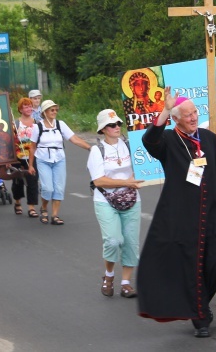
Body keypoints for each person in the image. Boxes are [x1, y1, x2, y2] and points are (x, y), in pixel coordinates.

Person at [137, 87, 216, 338]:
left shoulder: (208, 137)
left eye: (195, 113)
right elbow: (149, 140)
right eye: (187, 115)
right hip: (182, 216)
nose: (193, 117)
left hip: (213, 212)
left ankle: (198, 304)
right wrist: (165, 109)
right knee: (191, 267)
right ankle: (200, 316)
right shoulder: (169, 140)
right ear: (177, 119)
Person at [87, 109, 144, 298]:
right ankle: (109, 275)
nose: (116, 127)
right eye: (111, 125)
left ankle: (126, 283)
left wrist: (138, 177)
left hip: (131, 198)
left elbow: (142, 166)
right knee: (113, 240)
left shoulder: (129, 144)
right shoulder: (97, 150)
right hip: (105, 200)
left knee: (130, 242)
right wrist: (126, 182)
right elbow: (99, 181)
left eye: (118, 123)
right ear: (103, 129)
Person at [28, 100, 91, 225]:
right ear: (45, 112)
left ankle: (55, 215)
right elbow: (32, 147)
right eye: (52, 110)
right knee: (47, 188)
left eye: (56, 109)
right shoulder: (37, 127)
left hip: (59, 159)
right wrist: (30, 165)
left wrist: (90, 148)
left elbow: (74, 139)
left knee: (59, 188)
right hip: (43, 159)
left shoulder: (60, 124)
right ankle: (44, 208)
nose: (55, 112)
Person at [11, 97, 40, 217]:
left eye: (30, 106)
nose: (29, 109)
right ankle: (17, 202)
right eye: (26, 106)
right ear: (20, 109)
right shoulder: (15, 124)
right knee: (18, 181)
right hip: (18, 156)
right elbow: (10, 141)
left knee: (32, 180)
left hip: (33, 155)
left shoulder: (37, 123)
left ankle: (31, 207)